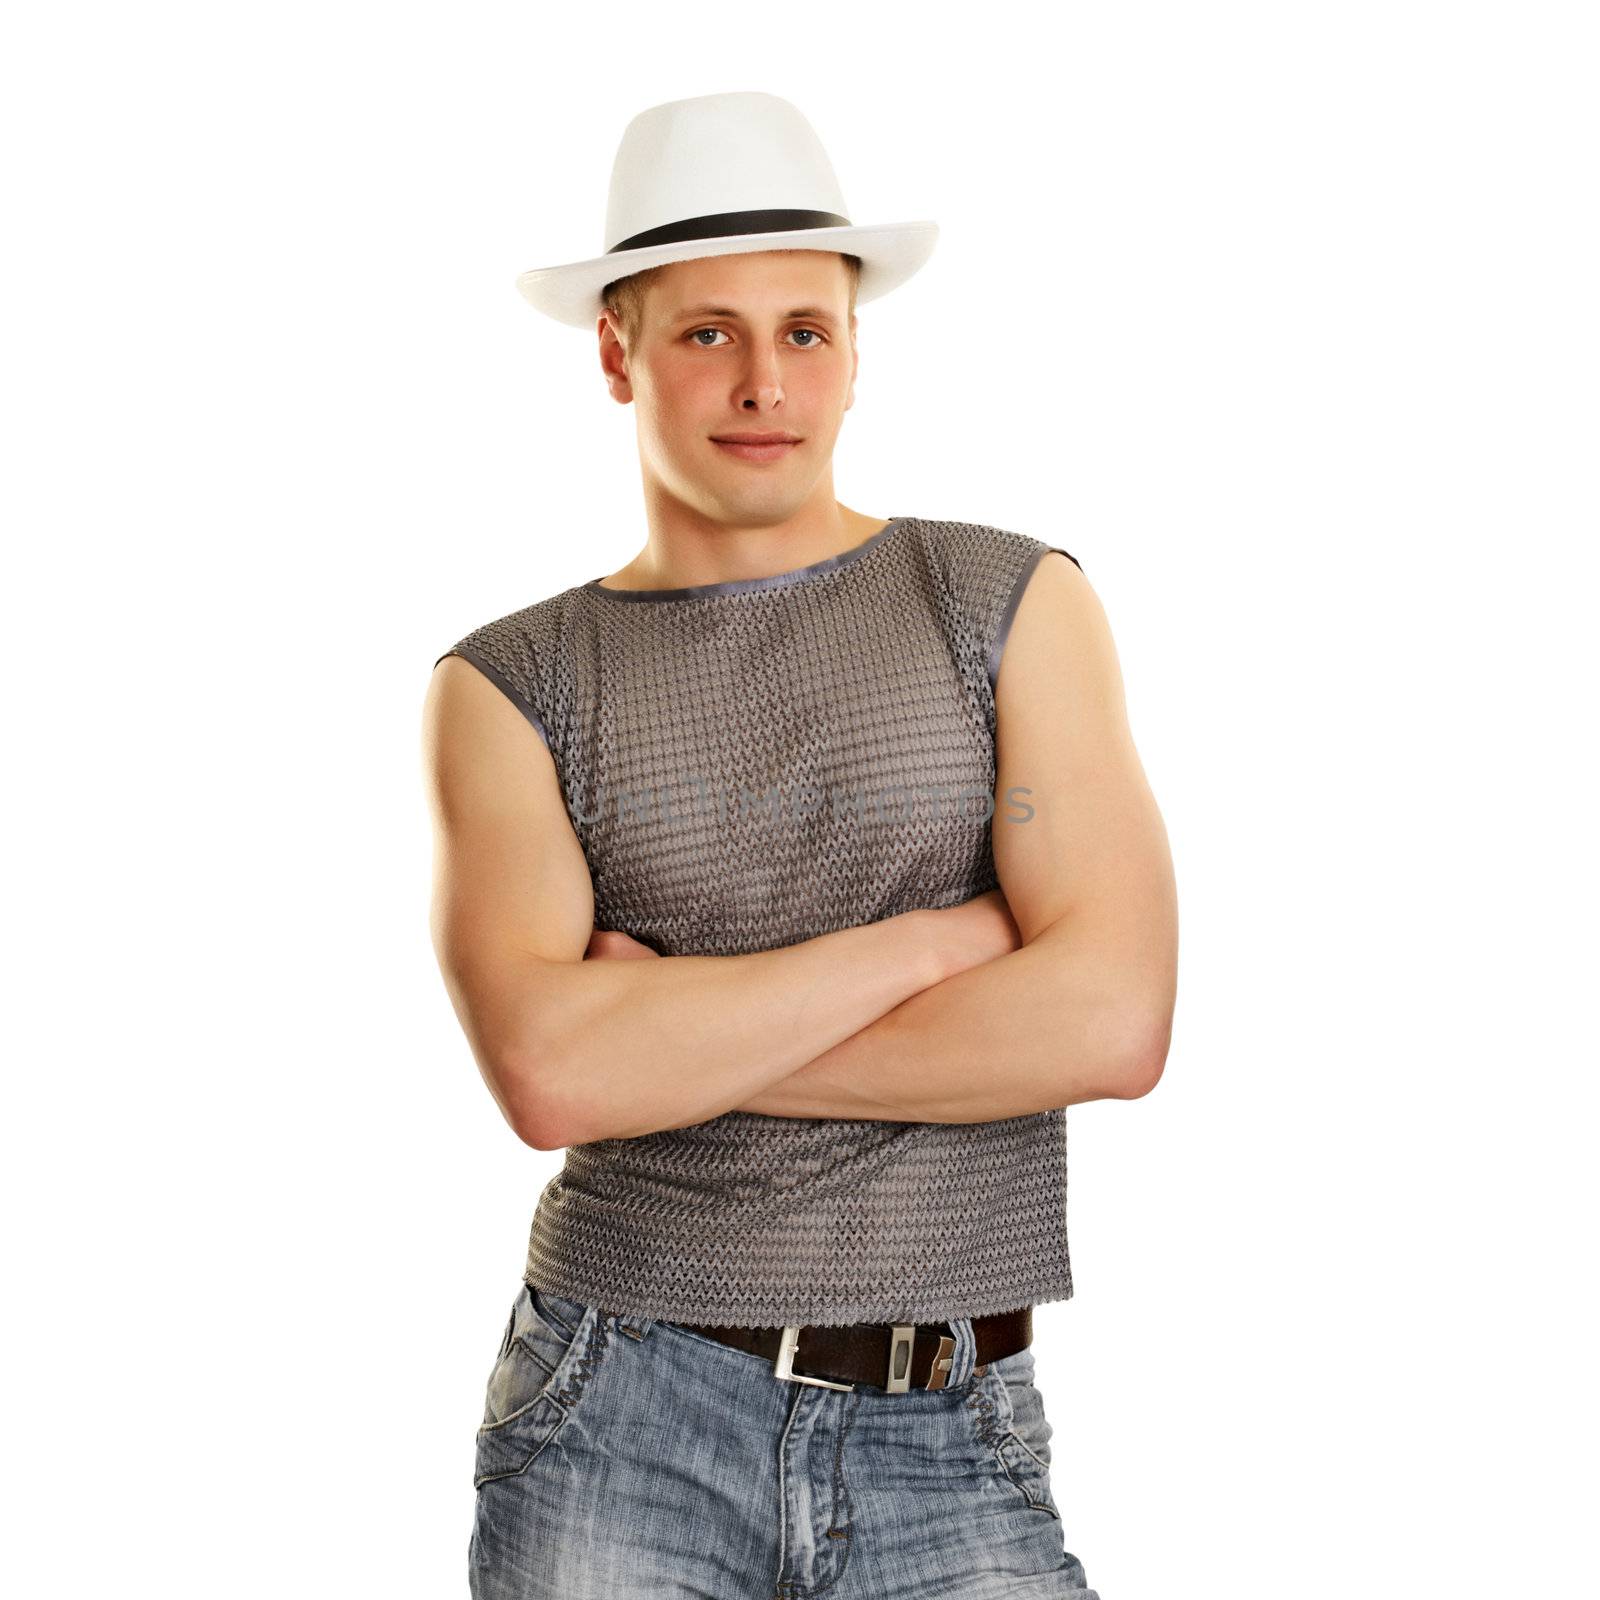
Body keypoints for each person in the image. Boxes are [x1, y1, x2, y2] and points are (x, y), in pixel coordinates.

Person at [421, 91, 1177, 1598]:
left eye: (806, 331)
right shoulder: (510, 684)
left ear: (852, 352)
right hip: (616, 1409)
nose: (765, 381)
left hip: (953, 1429)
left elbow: (1114, 1019)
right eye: (708, 333)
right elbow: (555, 1076)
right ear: (618, 350)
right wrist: (942, 940)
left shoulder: (1006, 601)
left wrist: (674, 1033)